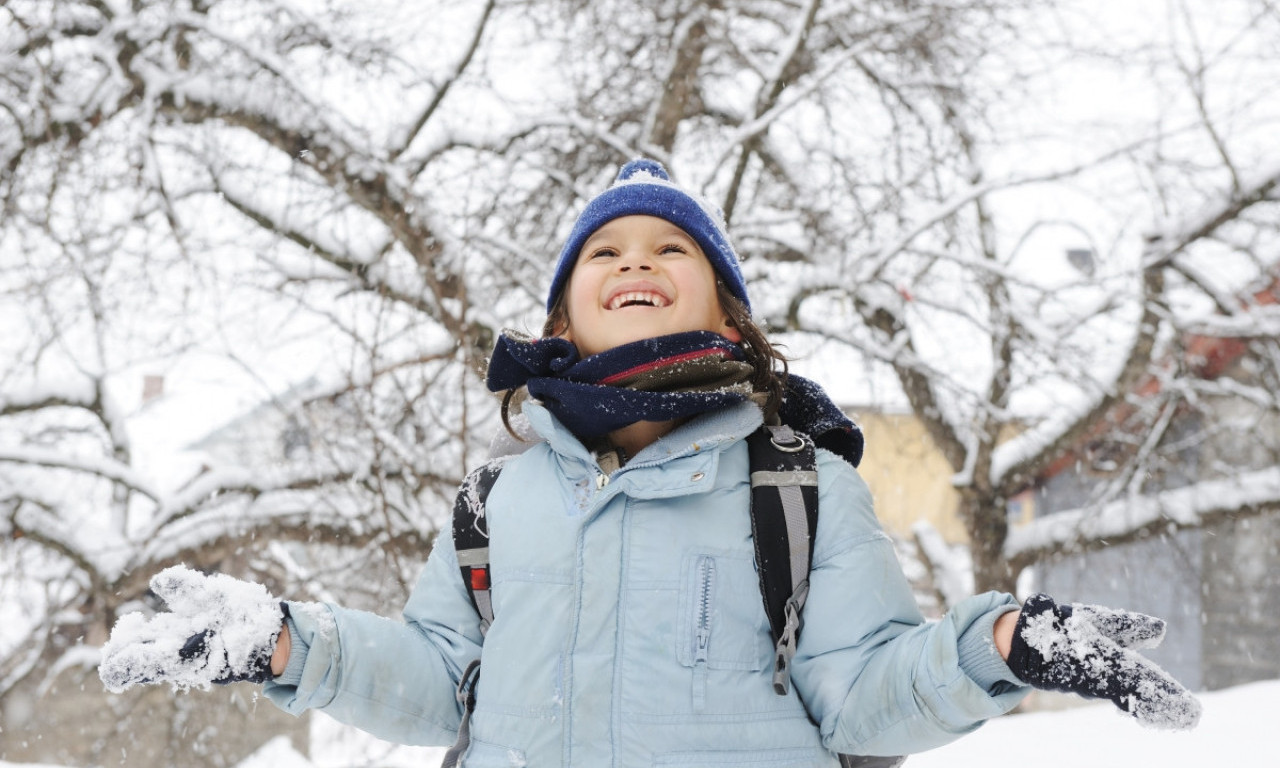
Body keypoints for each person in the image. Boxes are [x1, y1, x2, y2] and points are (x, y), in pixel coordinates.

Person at [99, 159, 1201, 767]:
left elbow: (865, 699)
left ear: (727, 313)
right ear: (563, 320)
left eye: (673, 248)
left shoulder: (797, 488)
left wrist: (996, 646)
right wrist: (288, 642)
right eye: (605, 251)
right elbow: (440, 685)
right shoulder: (496, 503)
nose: (637, 260)